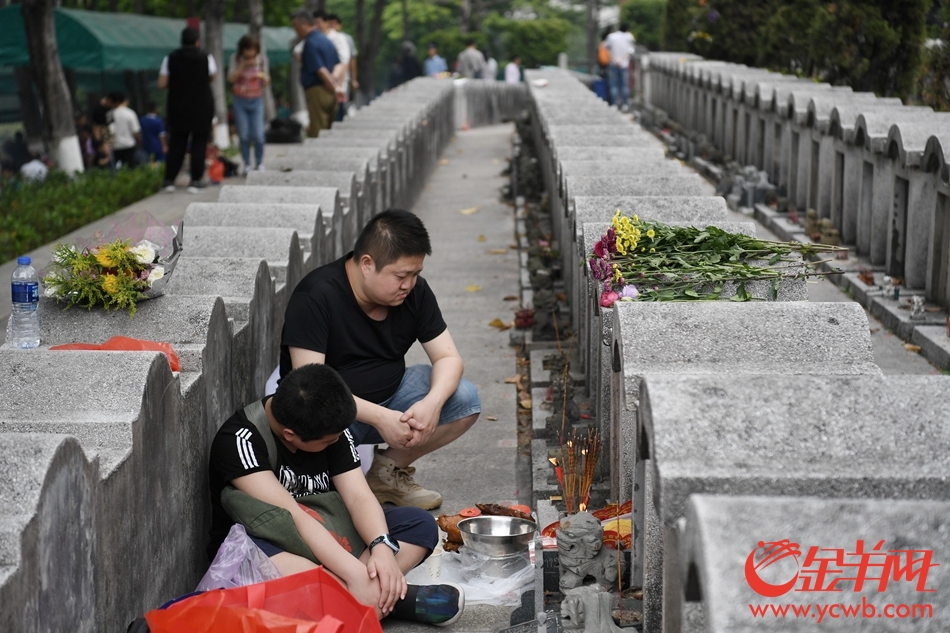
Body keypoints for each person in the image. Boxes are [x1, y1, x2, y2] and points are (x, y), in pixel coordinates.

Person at [208, 362, 465, 626]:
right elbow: (294, 517)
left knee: (418, 523)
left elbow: (358, 497)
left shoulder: (329, 426)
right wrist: (356, 574)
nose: (336, 442)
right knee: (258, 558)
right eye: (328, 442)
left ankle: (356, 600)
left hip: (332, 531)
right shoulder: (241, 440)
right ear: (290, 435)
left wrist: (382, 549)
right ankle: (389, 600)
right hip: (274, 542)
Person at [280, 210, 480, 510]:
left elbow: (449, 358)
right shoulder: (316, 296)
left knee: (464, 397)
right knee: (342, 506)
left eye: (416, 274)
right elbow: (312, 388)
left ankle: (386, 472)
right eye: (401, 276)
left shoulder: (413, 292)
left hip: (393, 397)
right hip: (332, 418)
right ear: (367, 264)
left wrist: (431, 404)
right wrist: (380, 418)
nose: (409, 285)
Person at [158, 26, 216, 193]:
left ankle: (169, 180)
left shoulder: (170, 58)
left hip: (178, 107)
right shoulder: (206, 57)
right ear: (197, 41)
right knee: (199, 142)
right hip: (201, 106)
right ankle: (196, 180)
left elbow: (162, 83)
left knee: (177, 142)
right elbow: (212, 76)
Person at [291, 8, 343, 138]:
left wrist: (330, 84)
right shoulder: (327, 40)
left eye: (296, 26)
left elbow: (319, 69)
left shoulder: (310, 43)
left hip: (318, 90)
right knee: (329, 128)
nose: (295, 30)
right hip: (330, 90)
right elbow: (338, 64)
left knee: (318, 130)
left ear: (306, 24)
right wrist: (335, 83)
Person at [228, 34, 270, 174]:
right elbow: (231, 78)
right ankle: (246, 164)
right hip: (240, 99)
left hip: (256, 100)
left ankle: (259, 163)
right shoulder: (235, 59)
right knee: (244, 135)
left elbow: (265, 80)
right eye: (247, 50)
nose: (250, 53)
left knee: (259, 135)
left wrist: (264, 79)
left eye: (252, 50)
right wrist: (244, 66)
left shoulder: (262, 60)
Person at [315, 10, 350, 122]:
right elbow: (297, 51)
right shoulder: (314, 38)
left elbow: (344, 63)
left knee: (336, 116)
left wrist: (338, 85)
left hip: (335, 83)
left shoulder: (339, 38)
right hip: (320, 84)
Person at [605, 23, 636, 112]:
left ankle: (614, 104)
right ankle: (625, 104)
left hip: (613, 63)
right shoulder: (629, 36)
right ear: (627, 29)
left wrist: (615, 60)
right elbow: (630, 51)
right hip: (624, 64)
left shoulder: (611, 36)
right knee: (624, 85)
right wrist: (622, 60)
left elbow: (607, 49)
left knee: (614, 85)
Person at [109, 92, 141, 169]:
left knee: (115, 170)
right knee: (130, 169)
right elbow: (135, 131)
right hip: (128, 145)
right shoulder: (130, 113)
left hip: (114, 146)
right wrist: (139, 141)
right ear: (125, 100)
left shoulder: (110, 114)